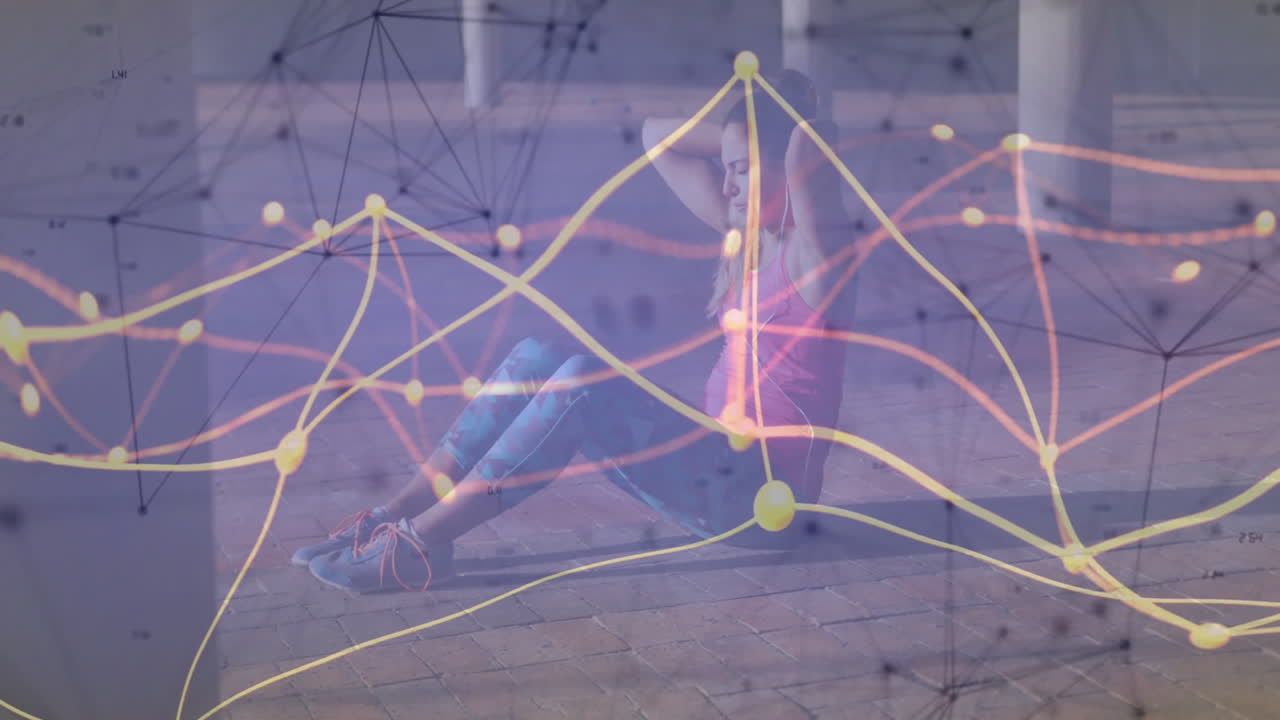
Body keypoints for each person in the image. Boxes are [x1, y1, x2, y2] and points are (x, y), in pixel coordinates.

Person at [294, 69, 855, 593]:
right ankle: (398, 516)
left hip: (764, 504)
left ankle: (421, 545)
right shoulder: (749, 237)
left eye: (745, 169)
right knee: (539, 352)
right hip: (715, 469)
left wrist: (772, 124)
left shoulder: (817, 258)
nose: (730, 186)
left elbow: (808, 143)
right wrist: (741, 139)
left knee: (584, 382)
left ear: (792, 166)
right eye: (727, 170)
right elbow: (657, 138)